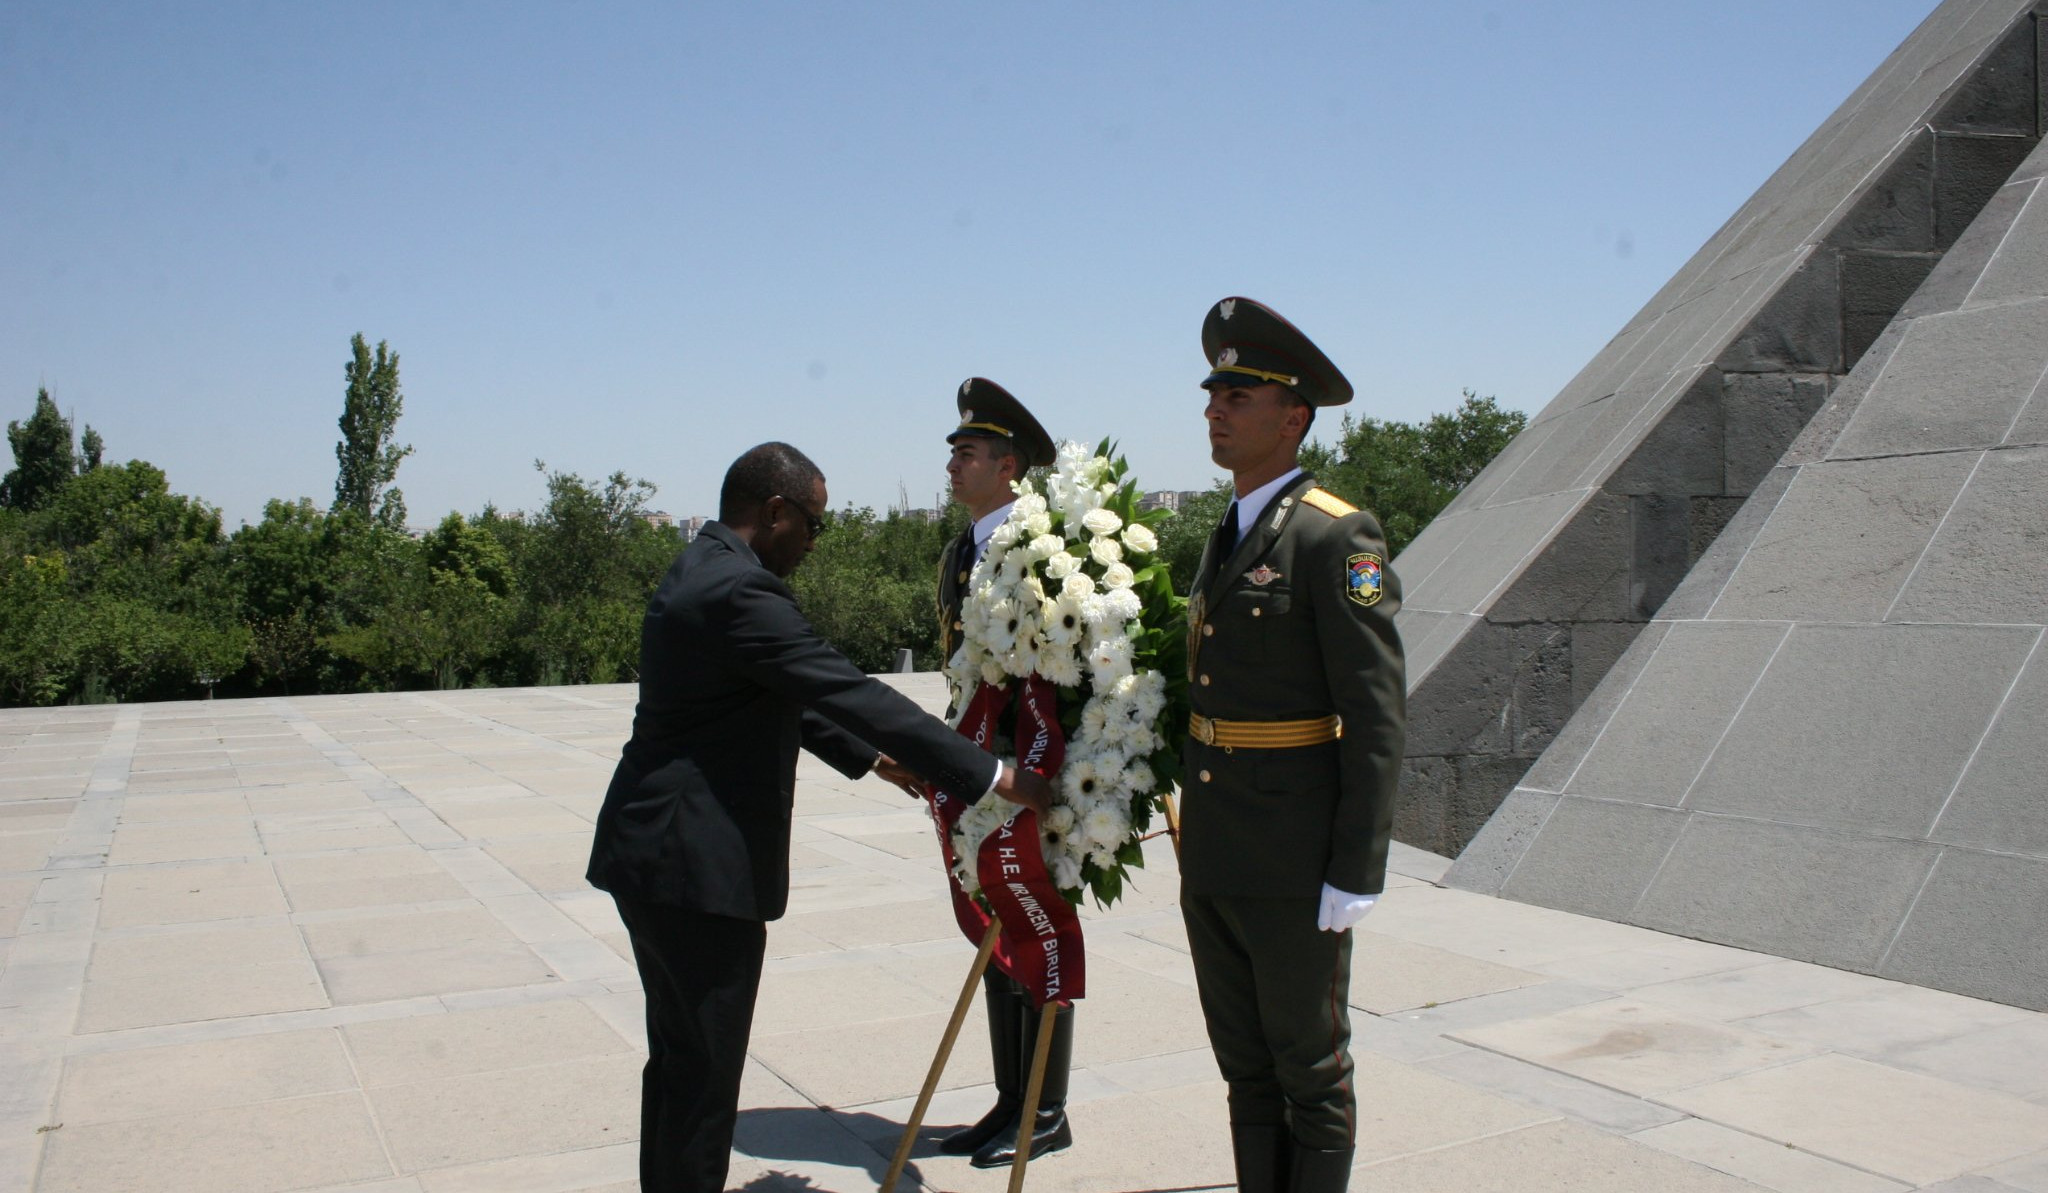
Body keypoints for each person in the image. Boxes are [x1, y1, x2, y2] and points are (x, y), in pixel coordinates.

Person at [586, 441, 1053, 1193]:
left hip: (656, 852)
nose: (814, 541)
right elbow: (845, 688)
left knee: (681, 1061)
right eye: (813, 523)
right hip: (693, 867)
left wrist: (873, 759)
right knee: (703, 1072)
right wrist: (994, 774)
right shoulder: (743, 592)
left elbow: (776, 691)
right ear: (775, 512)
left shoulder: (705, 564)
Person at [1177, 299, 1406, 1193]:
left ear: (1294, 415)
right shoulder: (1228, 528)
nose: (1215, 409)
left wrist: (1358, 867)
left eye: (1239, 392)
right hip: (1221, 848)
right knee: (1246, 1068)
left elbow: (1377, 712)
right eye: (1213, 393)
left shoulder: (1335, 533)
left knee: (1309, 1067)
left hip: (1295, 856)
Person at [931, 378, 1075, 1169]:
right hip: (976, 769)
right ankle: (1010, 1098)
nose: (953, 464)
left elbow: (1062, 666)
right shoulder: (963, 549)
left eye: (968, 452)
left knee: (1037, 924)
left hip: (1029, 772)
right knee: (994, 930)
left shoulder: (1042, 546)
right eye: (952, 451)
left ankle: (1047, 1109)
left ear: (1008, 464)